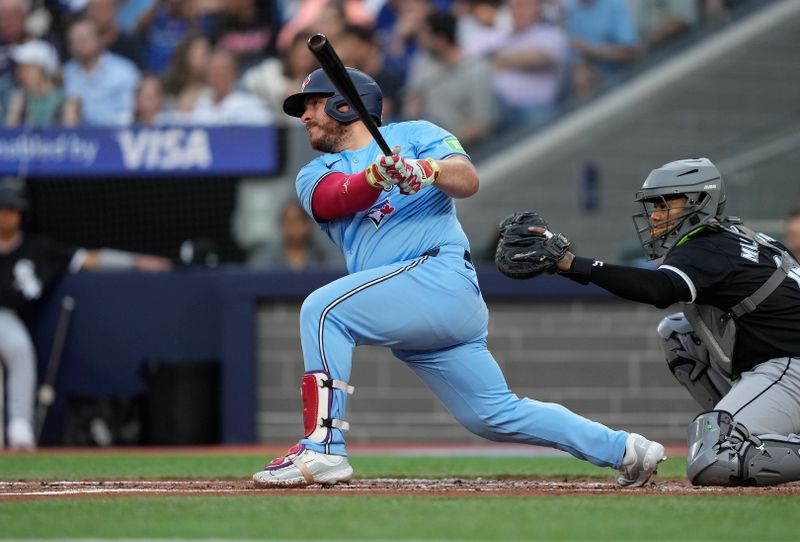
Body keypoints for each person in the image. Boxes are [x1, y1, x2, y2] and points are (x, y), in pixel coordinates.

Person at [250, 67, 665, 488]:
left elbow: (467, 179)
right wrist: (377, 176)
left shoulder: (416, 133)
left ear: (345, 103)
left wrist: (426, 170)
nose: (304, 116)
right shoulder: (315, 172)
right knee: (492, 415)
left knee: (323, 311)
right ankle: (626, 449)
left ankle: (324, 448)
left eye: (313, 104)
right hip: (412, 304)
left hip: (439, 277)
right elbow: (333, 197)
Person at [537, 158, 800, 486]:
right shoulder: (737, 236)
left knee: (714, 454)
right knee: (679, 333)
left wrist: (573, 264)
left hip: (790, 367)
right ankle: (740, 424)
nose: (656, 215)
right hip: (779, 363)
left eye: (666, 203)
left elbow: (659, 290)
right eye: (654, 205)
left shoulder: (707, 244)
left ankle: (736, 434)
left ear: (699, 202)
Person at [0, 178, 172, 450]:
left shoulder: (38, 249)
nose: (6, 216)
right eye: (1, 209)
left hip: (9, 318)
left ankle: (19, 427)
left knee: (20, 349)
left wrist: (136, 262)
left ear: (20, 213)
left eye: (11, 209)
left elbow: (89, 259)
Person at [403, 10, 496, 146]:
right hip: (426, 142)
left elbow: (481, 125)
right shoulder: (423, 61)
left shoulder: (476, 70)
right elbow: (412, 104)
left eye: (425, 33)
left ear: (440, 39)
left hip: (466, 149)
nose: (420, 38)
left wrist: (442, 144)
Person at [62, 19, 141, 126]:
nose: (78, 46)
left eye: (83, 40)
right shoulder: (66, 73)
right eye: (73, 42)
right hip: (77, 138)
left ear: (98, 40)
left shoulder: (124, 71)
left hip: (114, 135)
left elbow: (129, 113)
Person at [188, 48, 272, 125]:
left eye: (221, 72)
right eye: (212, 72)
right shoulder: (201, 105)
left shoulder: (250, 105)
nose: (216, 77)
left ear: (234, 74)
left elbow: (265, 131)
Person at [246, 200, 333, 270]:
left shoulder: (323, 257)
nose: (294, 227)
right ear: (281, 225)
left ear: (308, 224)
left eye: (299, 221)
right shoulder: (264, 259)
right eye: (290, 222)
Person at [4, 40, 65, 127]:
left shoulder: (62, 99)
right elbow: (7, 136)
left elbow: (70, 136)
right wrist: (14, 111)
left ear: (40, 70)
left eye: (24, 68)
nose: (18, 73)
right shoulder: (20, 97)